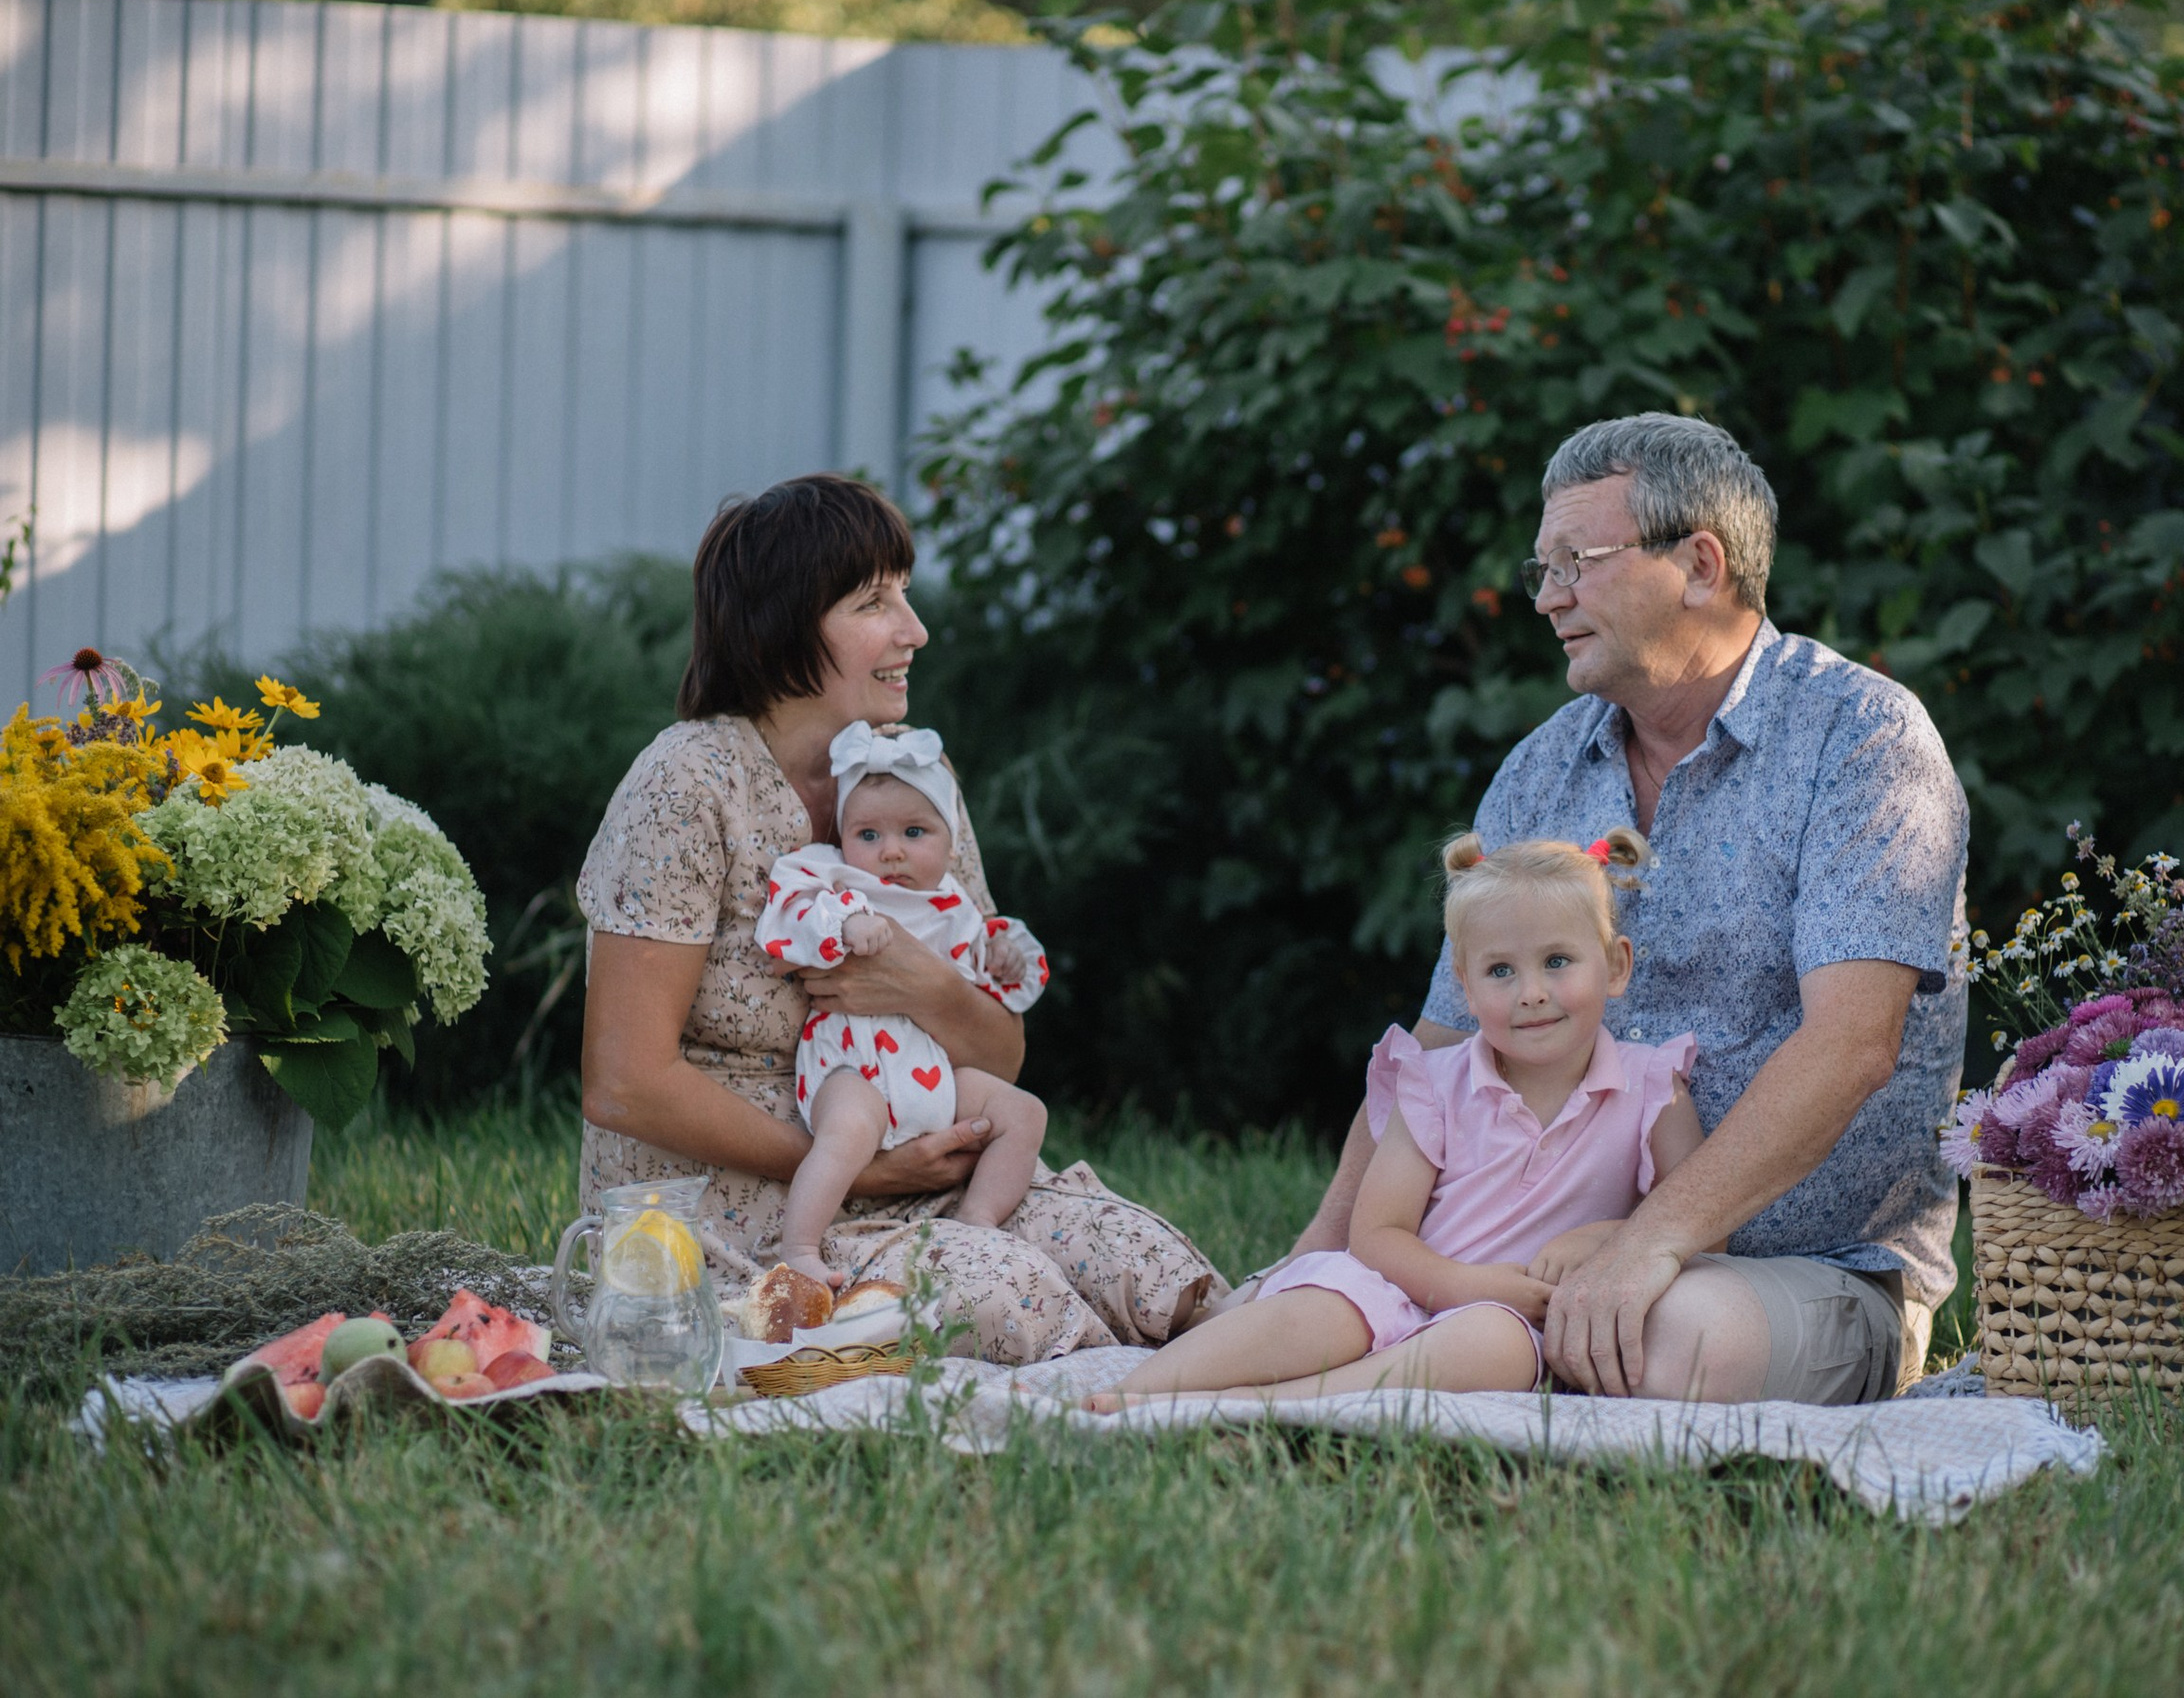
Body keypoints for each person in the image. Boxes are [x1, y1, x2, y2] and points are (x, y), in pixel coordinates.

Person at [1261, 413, 1969, 1406]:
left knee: (1662, 1342)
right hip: (1510, 1262)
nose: (1548, 597)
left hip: (1806, 1269)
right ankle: (1382, 1376)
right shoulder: (1543, 767)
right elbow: (1435, 1049)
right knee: (1309, 1313)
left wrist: (1651, 1244)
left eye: (1576, 562)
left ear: (1699, 564)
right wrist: (1313, 1255)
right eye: (1540, 568)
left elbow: (1854, 1042)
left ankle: (1364, 1392)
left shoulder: (1861, 740)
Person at [577, 473, 1226, 1363]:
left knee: (1148, 1267)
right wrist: (853, 1164)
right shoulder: (687, 782)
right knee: (1010, 1298)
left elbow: (999, 1053)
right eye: (875, 601)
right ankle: (1127, 1401)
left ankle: (1273, 1382)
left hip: (920, 1157)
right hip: (730, 1204)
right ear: (784, 624)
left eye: (905, 596)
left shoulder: (916, 779)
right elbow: (624, 1080)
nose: (913, 631)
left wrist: (917, 982)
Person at [1087, 831, 1703, 1412]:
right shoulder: (1435, 1083)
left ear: (1616, 966)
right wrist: (1466, 1284)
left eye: (1558, 961)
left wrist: (1604, 1241)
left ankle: (1266, 1406)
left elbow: (1700, 1222)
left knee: (1497, 1345)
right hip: (1397, 1291)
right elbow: (1378, 1234)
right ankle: (1140, 1388)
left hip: (1510, 1320)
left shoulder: (1651, 1086)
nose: (1531, 992)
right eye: (1500, 971)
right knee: (1322, 1306)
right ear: (1463, 986)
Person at [759, 723, 1054, 1283]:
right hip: (853, 1062)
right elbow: (785, 915)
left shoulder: (957, 907)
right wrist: (845, 921)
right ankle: (798, 1247)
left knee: (1024, 1112)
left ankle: (979, 1218)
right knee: (846, 1130)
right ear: (843, 837)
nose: (890, 851)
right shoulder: (835, 875)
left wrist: (1001, 956)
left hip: (932, 1072)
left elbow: (983, 988)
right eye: (867, 834)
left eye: (914, 832)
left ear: (950, 841)